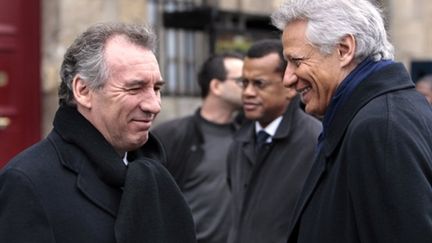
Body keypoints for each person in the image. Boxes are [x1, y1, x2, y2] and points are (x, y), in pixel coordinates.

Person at [0, 22, 196, 243]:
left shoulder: (153, 171)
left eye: (157, 89)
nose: (154, 105)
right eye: (134, 88)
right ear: (83, 91)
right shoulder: (26, 182)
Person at [271, 0, 432, 242]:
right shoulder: (376, 115)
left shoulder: (379, 127)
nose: (287, 78)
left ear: (344, 50)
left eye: (297, 61)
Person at [226, 39, 322, 243]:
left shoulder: (315, 141)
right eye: (244, 83)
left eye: (259, 83)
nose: (248, 92)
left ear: (289, 87)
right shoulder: (239, 141)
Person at [152, 52, 244, 243]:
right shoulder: (172, 136)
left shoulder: (248, 139)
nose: (250, 89)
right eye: (242, 81)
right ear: (216, 86)